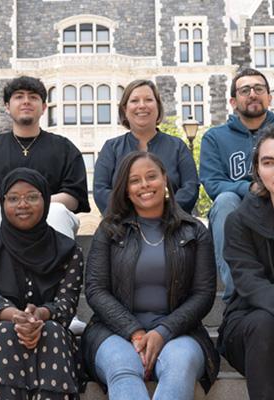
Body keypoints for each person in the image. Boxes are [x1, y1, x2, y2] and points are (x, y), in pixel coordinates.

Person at [82, 151, 219, 400]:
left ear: (165, 179)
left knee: (178, 367)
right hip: (113, 331)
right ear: (126, 189)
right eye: (135, 180)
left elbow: (204, 294)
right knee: (122, 366)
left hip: (180, 332)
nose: (144, 185)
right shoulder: (109, 230)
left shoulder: (194, 231)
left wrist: (163, 331)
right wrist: (134, 331)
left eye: (151, 176)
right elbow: (95, 289)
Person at [0, 167, 84, 400]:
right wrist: (17, 317)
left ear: (45, 200)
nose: (22, 204)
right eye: (13, 198)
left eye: (32, 197)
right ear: (2, 203)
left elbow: (66, 306)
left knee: (52, 332)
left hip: (50, 333)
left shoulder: (69, 250)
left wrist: (39, 315)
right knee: (4, 333)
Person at [0, 75, 90, 239]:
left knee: (58, 212)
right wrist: (9, 208)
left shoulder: (65, 148)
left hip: (50, 216)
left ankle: (58, 265)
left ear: (44, 107)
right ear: (7, 107)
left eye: (33, 97)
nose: (26, 101)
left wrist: (35, 206)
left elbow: (74, 196)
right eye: (19, 96)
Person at [200, 68, 274, 302]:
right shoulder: (214, 138)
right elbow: (212, 184)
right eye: (245, 90)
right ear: (233, 101)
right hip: (240, 212)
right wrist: (249, 188)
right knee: (224, 201)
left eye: (259, 89)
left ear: (269, 97)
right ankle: (237, 295)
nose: (253, 94)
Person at [217, 126, 274, 400]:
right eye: (268, 162)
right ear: (257, 171)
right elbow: (250, 283)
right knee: (265, 322)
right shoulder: (239, 220)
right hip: (249, 325)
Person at [93, 79, 199, 215]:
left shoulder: (177, 147)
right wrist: (134, 213)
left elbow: (190, 186)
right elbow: (100, 190)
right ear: (125, 109)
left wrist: (162, 211)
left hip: (171, 225)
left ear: (158, 107)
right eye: (135, 101)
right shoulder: (111, 148)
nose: (142, 105)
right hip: (123, 228)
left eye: (148, 100)